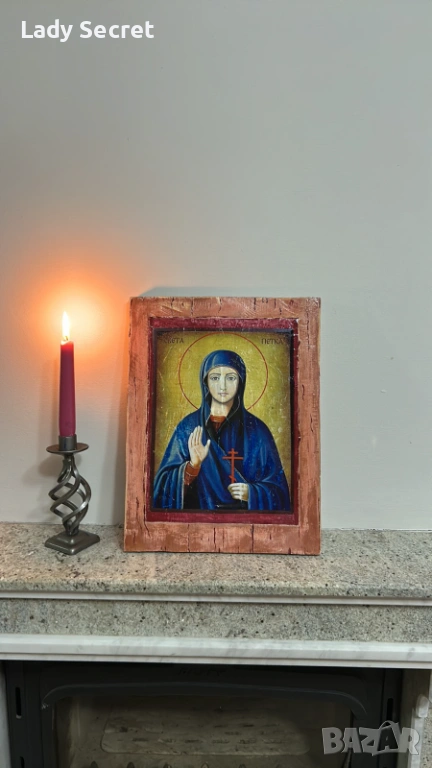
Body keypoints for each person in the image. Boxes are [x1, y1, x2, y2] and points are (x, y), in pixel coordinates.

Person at [153, 349, 290, 511]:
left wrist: (252, 493)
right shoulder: (188, 427)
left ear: (241, 382)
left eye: (230, 378)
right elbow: (162, 490)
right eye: (215, 378)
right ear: (205, 382)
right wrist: (193, 466)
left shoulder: (258, 430)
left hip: (245, 520)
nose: (222, 385)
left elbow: (279, 491)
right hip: (200, 518)